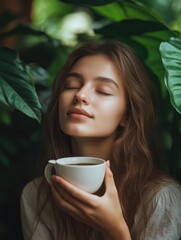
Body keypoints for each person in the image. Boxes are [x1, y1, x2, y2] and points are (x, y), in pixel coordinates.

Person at [20, 40, 181, 240]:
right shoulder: (36, 196)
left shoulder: (160, 199)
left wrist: (115, 230)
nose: (80, 95)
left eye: (103, 90)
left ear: (127, 115)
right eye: (71, 85)